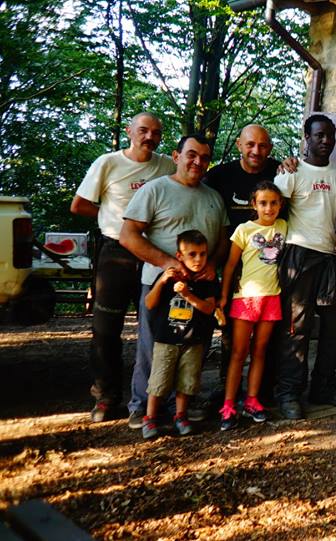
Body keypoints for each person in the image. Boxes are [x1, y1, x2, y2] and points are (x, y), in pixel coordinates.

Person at [71, 112, 175, 422]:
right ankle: (106, 396)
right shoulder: (108, 163)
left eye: (156, 132)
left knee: (153, 327)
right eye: (143, 130)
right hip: (115, 252)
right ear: (130, 131)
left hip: (154, 252)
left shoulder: (166, 166)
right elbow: (79, 204)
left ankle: (150, 399)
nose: (149, 136)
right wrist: (113, 218)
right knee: (106, 328)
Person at [120, 134, 228, 429]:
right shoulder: (155, 190)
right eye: (191, 155)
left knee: (193, 347)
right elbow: (128, 235)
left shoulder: (213, 197)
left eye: (205, 158)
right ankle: (142, 407)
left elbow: (222, 240)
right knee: (154, 347)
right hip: (160, 283)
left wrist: (214, 265)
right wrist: (167, 262)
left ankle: (180, 407)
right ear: (176, 156)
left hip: (200, 289)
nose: (198, 162)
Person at [268, 114, 336, 420]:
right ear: (306, 137)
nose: (326, 140)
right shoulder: (290, 174)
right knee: (296, 326)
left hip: (328, 256)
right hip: (297, 254)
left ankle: (323, 386)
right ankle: (289, 392)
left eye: (330, 135)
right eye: (319, 135)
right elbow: (272, 217)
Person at [203, 125, 284, 403]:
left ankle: (260, 392)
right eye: (250, 145)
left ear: (270, 149)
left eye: (262, 146)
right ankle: (229, 391)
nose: (256, 151)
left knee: (266, 343)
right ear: (239, 144)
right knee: (231, 339)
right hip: (230, 263)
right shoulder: (219, 176)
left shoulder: (279, 171)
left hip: (268, 273)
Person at [218, 181, 287, 430]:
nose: (268, 208)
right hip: (245, 299)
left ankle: (251, 400)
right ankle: (228, 405)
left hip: (272, 298)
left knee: (260, 352)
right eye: (263, 203)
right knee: (238, 353)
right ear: (253, 204)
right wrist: (224, 296)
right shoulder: (243, 230)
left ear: (281, 204)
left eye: (273, 203)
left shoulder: (284, 227)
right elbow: (229, 265)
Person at [141, 230, 219, 439]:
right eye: (192, 254)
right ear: (179, 256)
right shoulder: (168, 277)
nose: (198, 259)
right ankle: (150, 418)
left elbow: (209, 308)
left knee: (187, 381)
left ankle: (180, 415)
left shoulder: (208, 280)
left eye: (202, 254)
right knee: (159, 380)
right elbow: (149, 303)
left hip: (193, 340)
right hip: (166, 340)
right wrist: (161, 281)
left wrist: (187, 295)